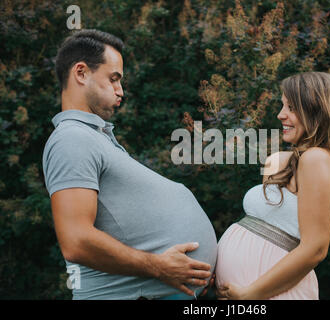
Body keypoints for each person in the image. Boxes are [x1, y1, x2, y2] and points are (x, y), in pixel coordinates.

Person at [42, 29, 217, 300]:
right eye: (113, 79)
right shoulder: (71, 138)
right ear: (81, 73)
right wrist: (159, 267)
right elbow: (76, 241)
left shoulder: (95, 138)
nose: (120, 90)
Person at [215, 72, 330, 300]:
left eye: (291, 108)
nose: (280, 115)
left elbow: (316, 249)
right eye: (283, 106)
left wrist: (250, 293)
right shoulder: (278, 162)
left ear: (317, 111)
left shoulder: (317, 159)